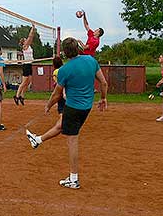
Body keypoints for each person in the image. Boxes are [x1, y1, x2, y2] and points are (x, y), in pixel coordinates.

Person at [31, 37, 107, 189]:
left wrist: (48, 106)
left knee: (72, 141)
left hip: (73, 107)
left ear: (65, 53)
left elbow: (56, 94)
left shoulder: (64, 70)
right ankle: (37, 140)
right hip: (87, 107)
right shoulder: (91, 60)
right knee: (61, 126)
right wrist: (103, 98)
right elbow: (103, 83)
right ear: (78, 48)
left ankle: (73, 178)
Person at [26, 56, 65, 148]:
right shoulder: (65, 69)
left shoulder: (56, 71)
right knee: (62, 122)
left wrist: (49, 105)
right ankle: (38, 140)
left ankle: (38, 140)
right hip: (66, 97)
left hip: (64, 97)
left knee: (62, 120)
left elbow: (59, 89)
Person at [13, 23, 35, 106]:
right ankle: (16, 96)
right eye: (25, 40)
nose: (27, 40)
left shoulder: (29, 46)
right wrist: (32, 28)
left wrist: (33, 30)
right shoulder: (25, 46)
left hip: (30, 64)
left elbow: (31, 37)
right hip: (26, 65)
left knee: (28, 82)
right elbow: (30, 37)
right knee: (24, 82)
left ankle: (22, 96)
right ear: (23, 42)